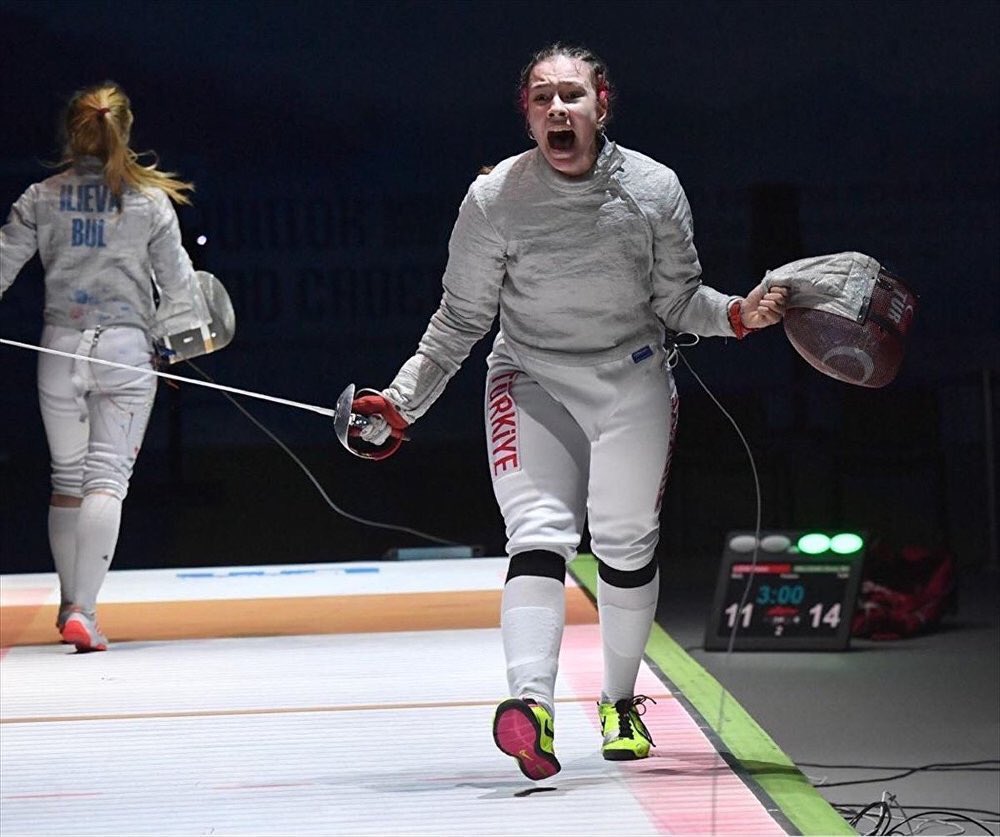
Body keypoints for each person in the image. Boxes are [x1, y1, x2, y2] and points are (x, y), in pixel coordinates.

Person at [349, 44, 788, 779]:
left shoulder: (653, 187)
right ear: (526, 114)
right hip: (530, 379)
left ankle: (620, 702)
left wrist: (739, 314)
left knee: (624, 541)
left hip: (632, 378)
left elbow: (680, 301)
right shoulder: (493, 199)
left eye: (572, 97)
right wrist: (400, 404)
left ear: (601, 105)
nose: (559, 110)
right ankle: (533, 709)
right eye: (544, 98)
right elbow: (460, 319)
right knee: (538, 532)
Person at [0, 81, 210, 652]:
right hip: (124, 352)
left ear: (73, 132)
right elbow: (181, 292)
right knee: (104, 481)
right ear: (125, 130)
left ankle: (72, 604)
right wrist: (177, 346)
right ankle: (84, 612)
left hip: (57, 348)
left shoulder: (41, 196)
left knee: (67, 481)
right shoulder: (149, 203)